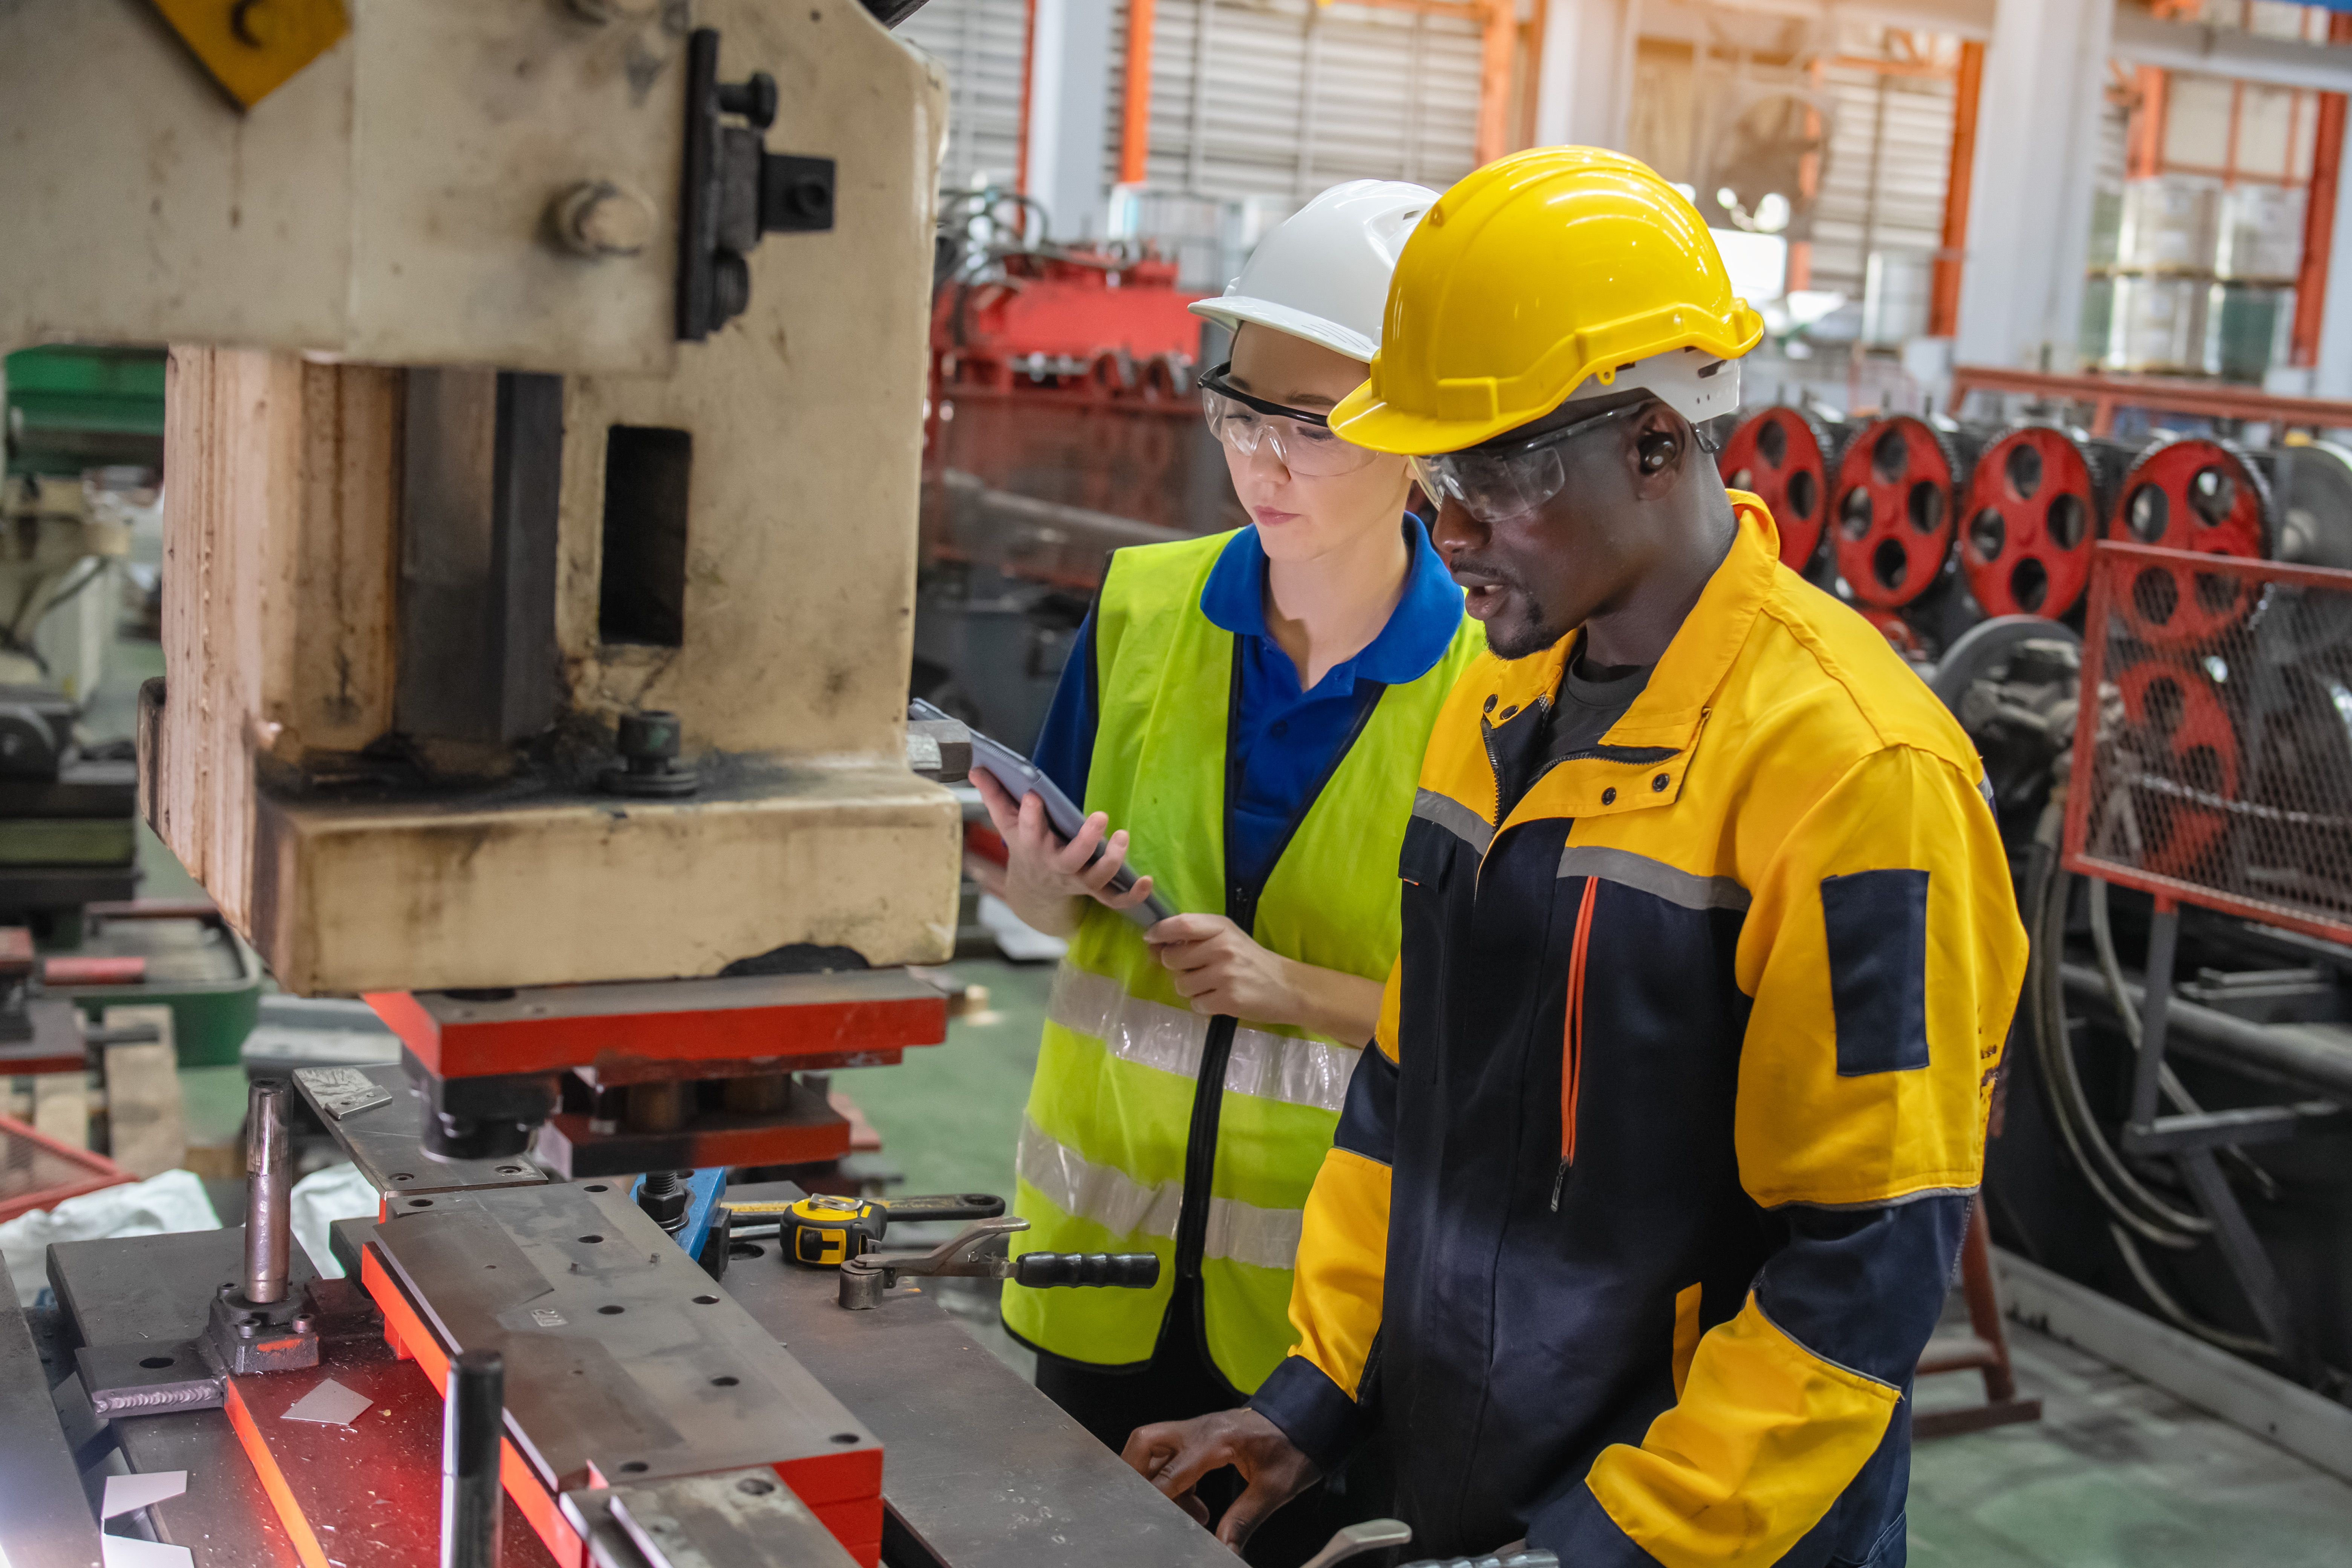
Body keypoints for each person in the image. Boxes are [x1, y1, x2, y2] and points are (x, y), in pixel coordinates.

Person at [1122, 147, 2029, 1568]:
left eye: (1492, 473)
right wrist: (1319, 1396)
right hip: (1464, 1492)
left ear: (1657, 441)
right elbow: (1408, 1102)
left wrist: (1604, 1550)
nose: (1448, 528)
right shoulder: (1499, 701)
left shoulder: (1853, 772)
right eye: (1428, 471)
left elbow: (1860, 1269)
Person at [968, 179, 1485, 1564]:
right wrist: (1034, 895)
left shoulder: (1495, 688)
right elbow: (1042, 889)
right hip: (1101, 1264)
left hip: (1333, 1311)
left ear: (1418, 437)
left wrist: (1294, 988)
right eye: (1240, 415)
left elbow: (1507, 1027)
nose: (1260, 464)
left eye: (1308, 432)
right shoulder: (1141, 605)